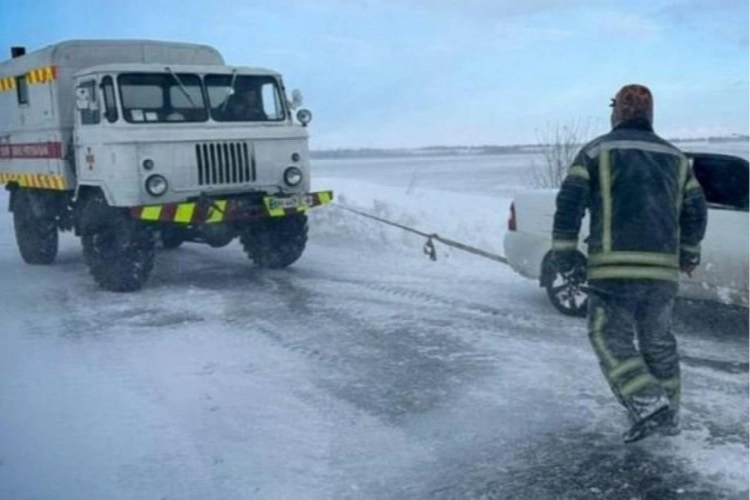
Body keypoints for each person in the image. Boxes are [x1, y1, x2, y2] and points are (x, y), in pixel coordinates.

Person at [551, 84, 707, 443]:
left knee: (608, 335)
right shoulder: (676, 158)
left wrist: (565, 254)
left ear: (617, 113)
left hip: (613, 270)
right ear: (650, 115)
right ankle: (670, 417)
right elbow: (696, 210)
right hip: (662, 272)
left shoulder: (595, 152)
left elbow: (569, 205)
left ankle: (649, 405)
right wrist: (688, 254)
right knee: (658, 342)